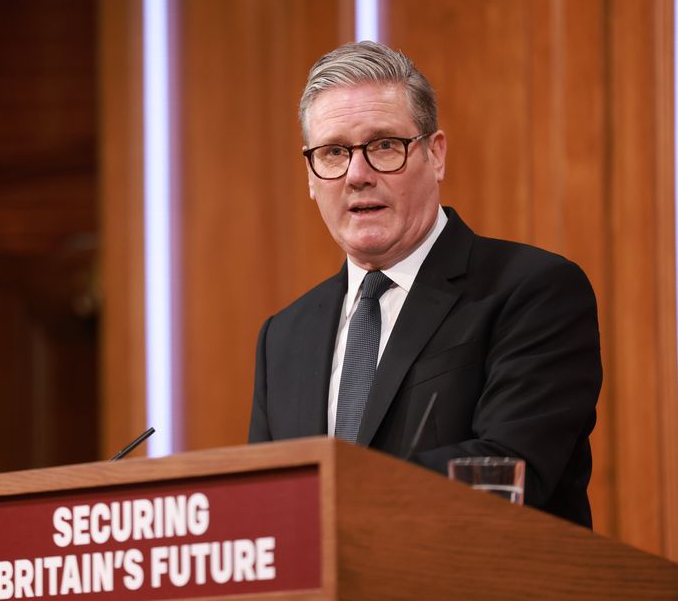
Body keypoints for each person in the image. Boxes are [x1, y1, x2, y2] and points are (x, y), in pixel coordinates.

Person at [247, 41, 602, 527]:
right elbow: (264, 508)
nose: (357, 174)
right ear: (310, 176)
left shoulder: (533, 291)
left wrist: (330, 493)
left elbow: (511, 470)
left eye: (385, 146)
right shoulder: (283, 337)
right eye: (333, 153)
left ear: (435, 155)